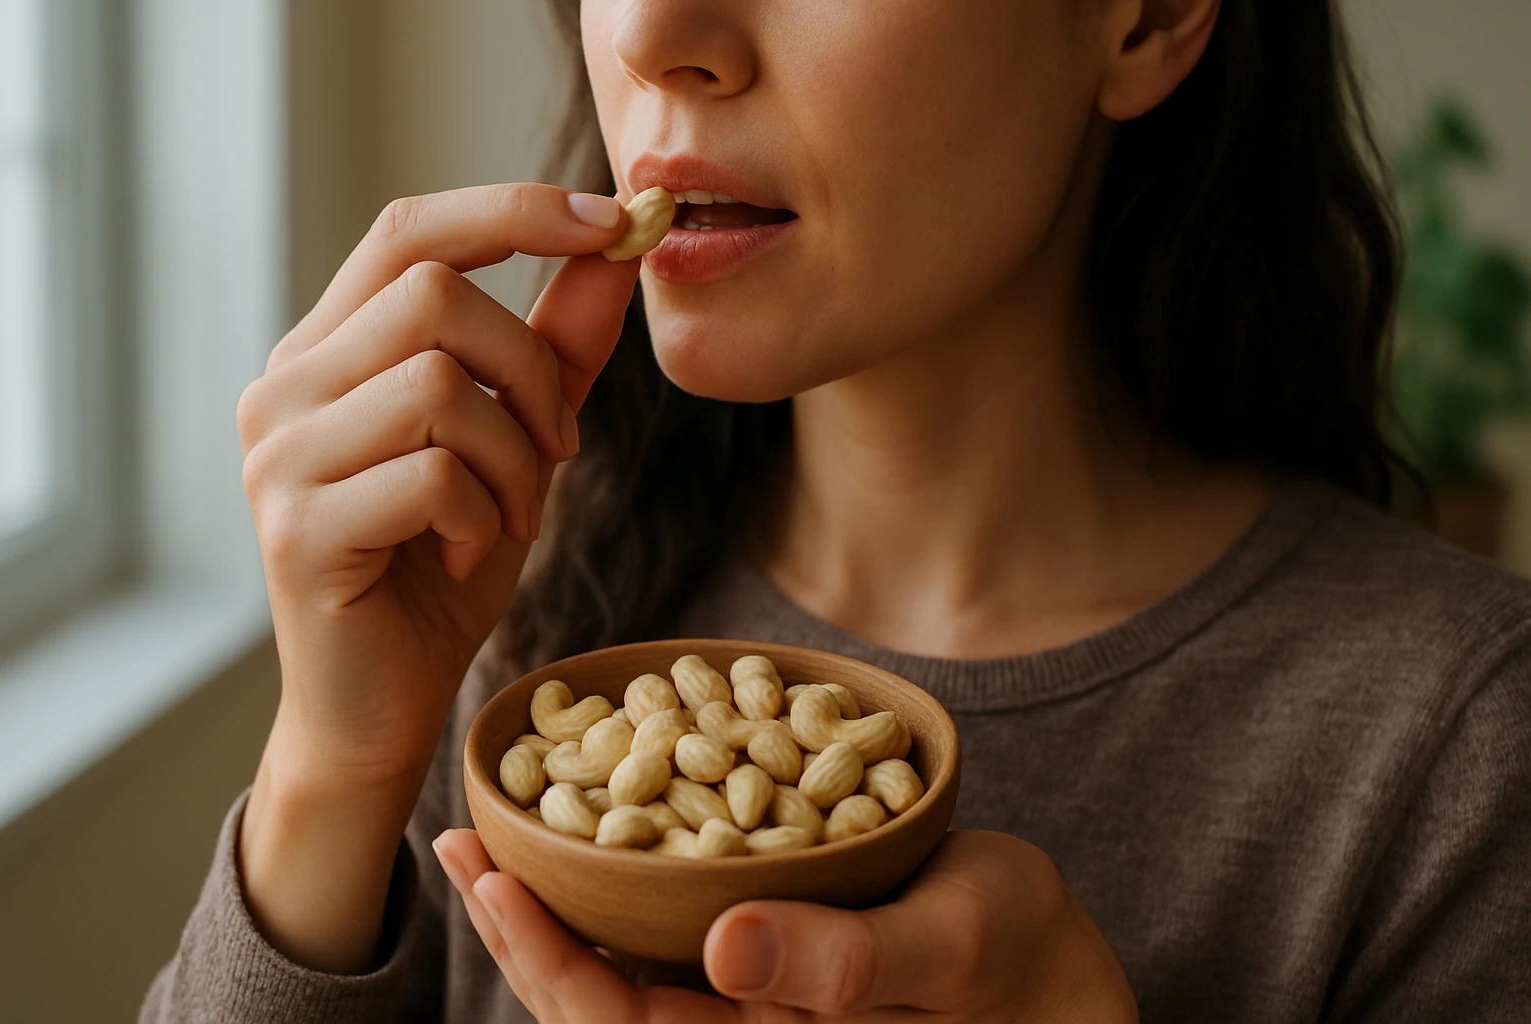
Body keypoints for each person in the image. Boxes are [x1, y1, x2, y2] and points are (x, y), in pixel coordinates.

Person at [141, 0, 1531, 1021]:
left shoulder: (1458, 755)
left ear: (1147, 17)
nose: (653, 33)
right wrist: (331, 766)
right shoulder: (503, 621)